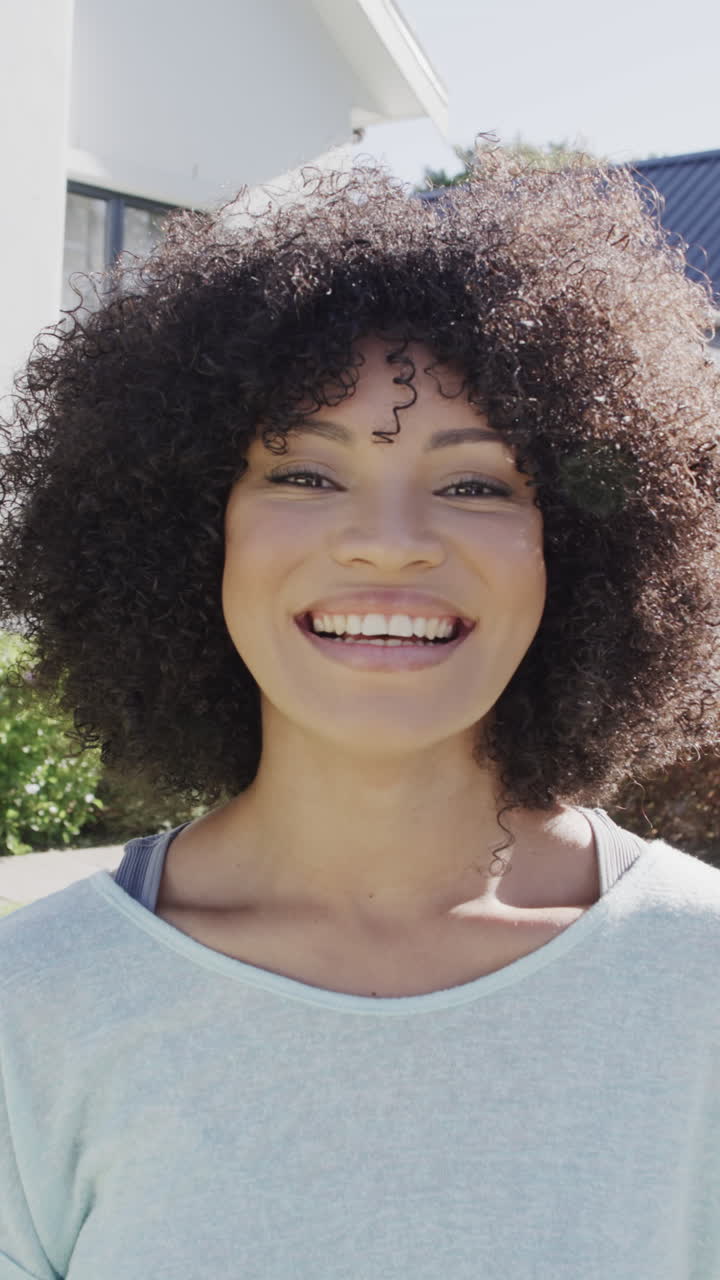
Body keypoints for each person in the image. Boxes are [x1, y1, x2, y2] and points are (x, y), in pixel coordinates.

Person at [0, 145, 718, 1278]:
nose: (391, 537)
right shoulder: (30, 1005)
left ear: (580, 555)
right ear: (194, 534)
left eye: (478, 481)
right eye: (304, 472)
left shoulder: (704, 980)